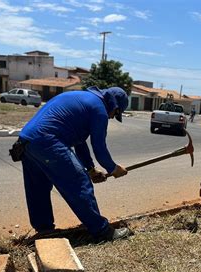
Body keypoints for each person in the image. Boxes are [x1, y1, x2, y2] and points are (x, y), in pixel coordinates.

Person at [15, 86, 131, 242]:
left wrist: (90, 169)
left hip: (27, 141)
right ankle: (102, 232)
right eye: (114, 115)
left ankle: (44, 230)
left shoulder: (81, 98)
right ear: (115, 107)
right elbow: (99, 147)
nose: (111, 118)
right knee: (79, 182)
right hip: (48, 141)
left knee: (38, 187)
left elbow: (79, 142)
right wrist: (113, 168)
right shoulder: (99, 110)